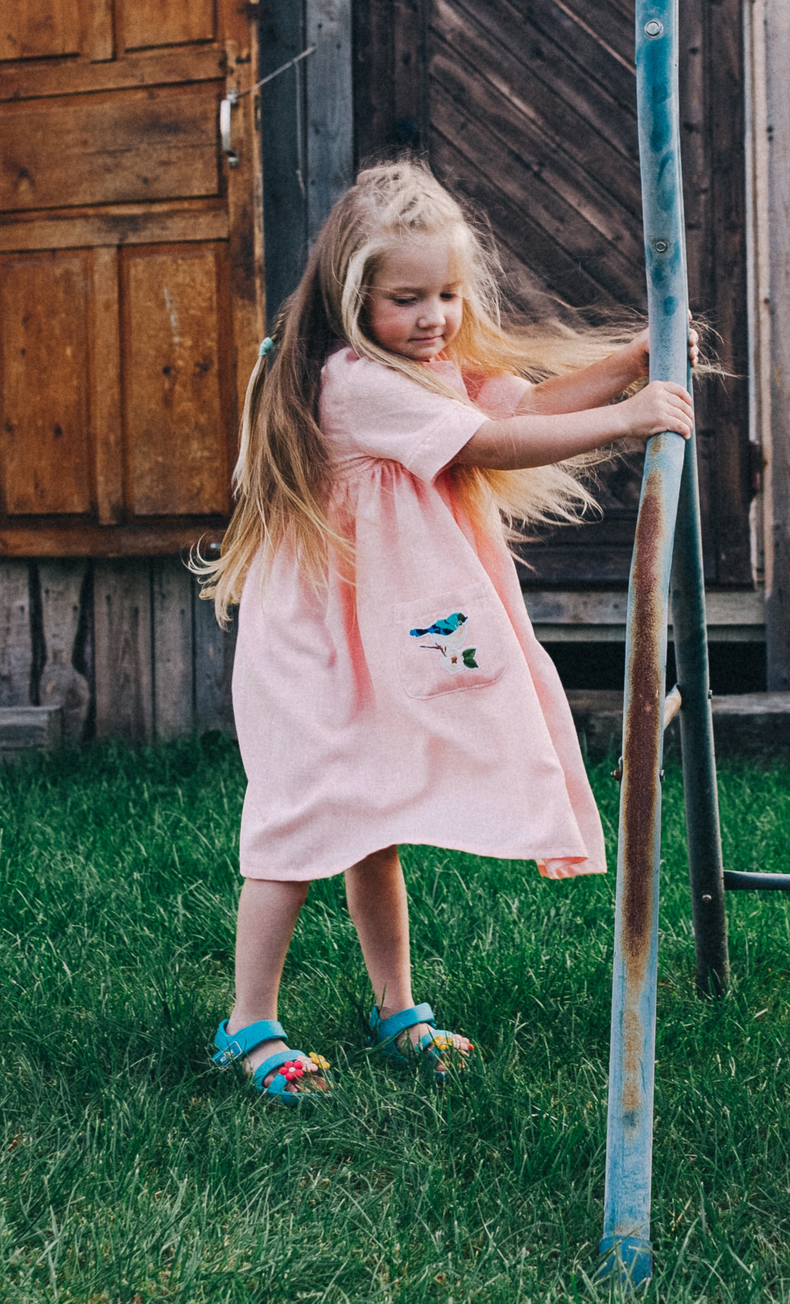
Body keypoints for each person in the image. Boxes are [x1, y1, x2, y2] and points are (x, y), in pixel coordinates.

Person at [196, 157, 696, 1102]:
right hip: (315, 649)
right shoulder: (355, 380)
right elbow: (490, 442)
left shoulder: (422, 369)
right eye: (407, 298)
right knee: (299, 824)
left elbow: (526, 405)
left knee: (374, 821)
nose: (434, 318)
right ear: (353, 298)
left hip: (370, 637)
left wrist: (625, 366)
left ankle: (397, 1009)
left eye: (449, 296)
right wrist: (630, 420)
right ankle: (246, 1021)